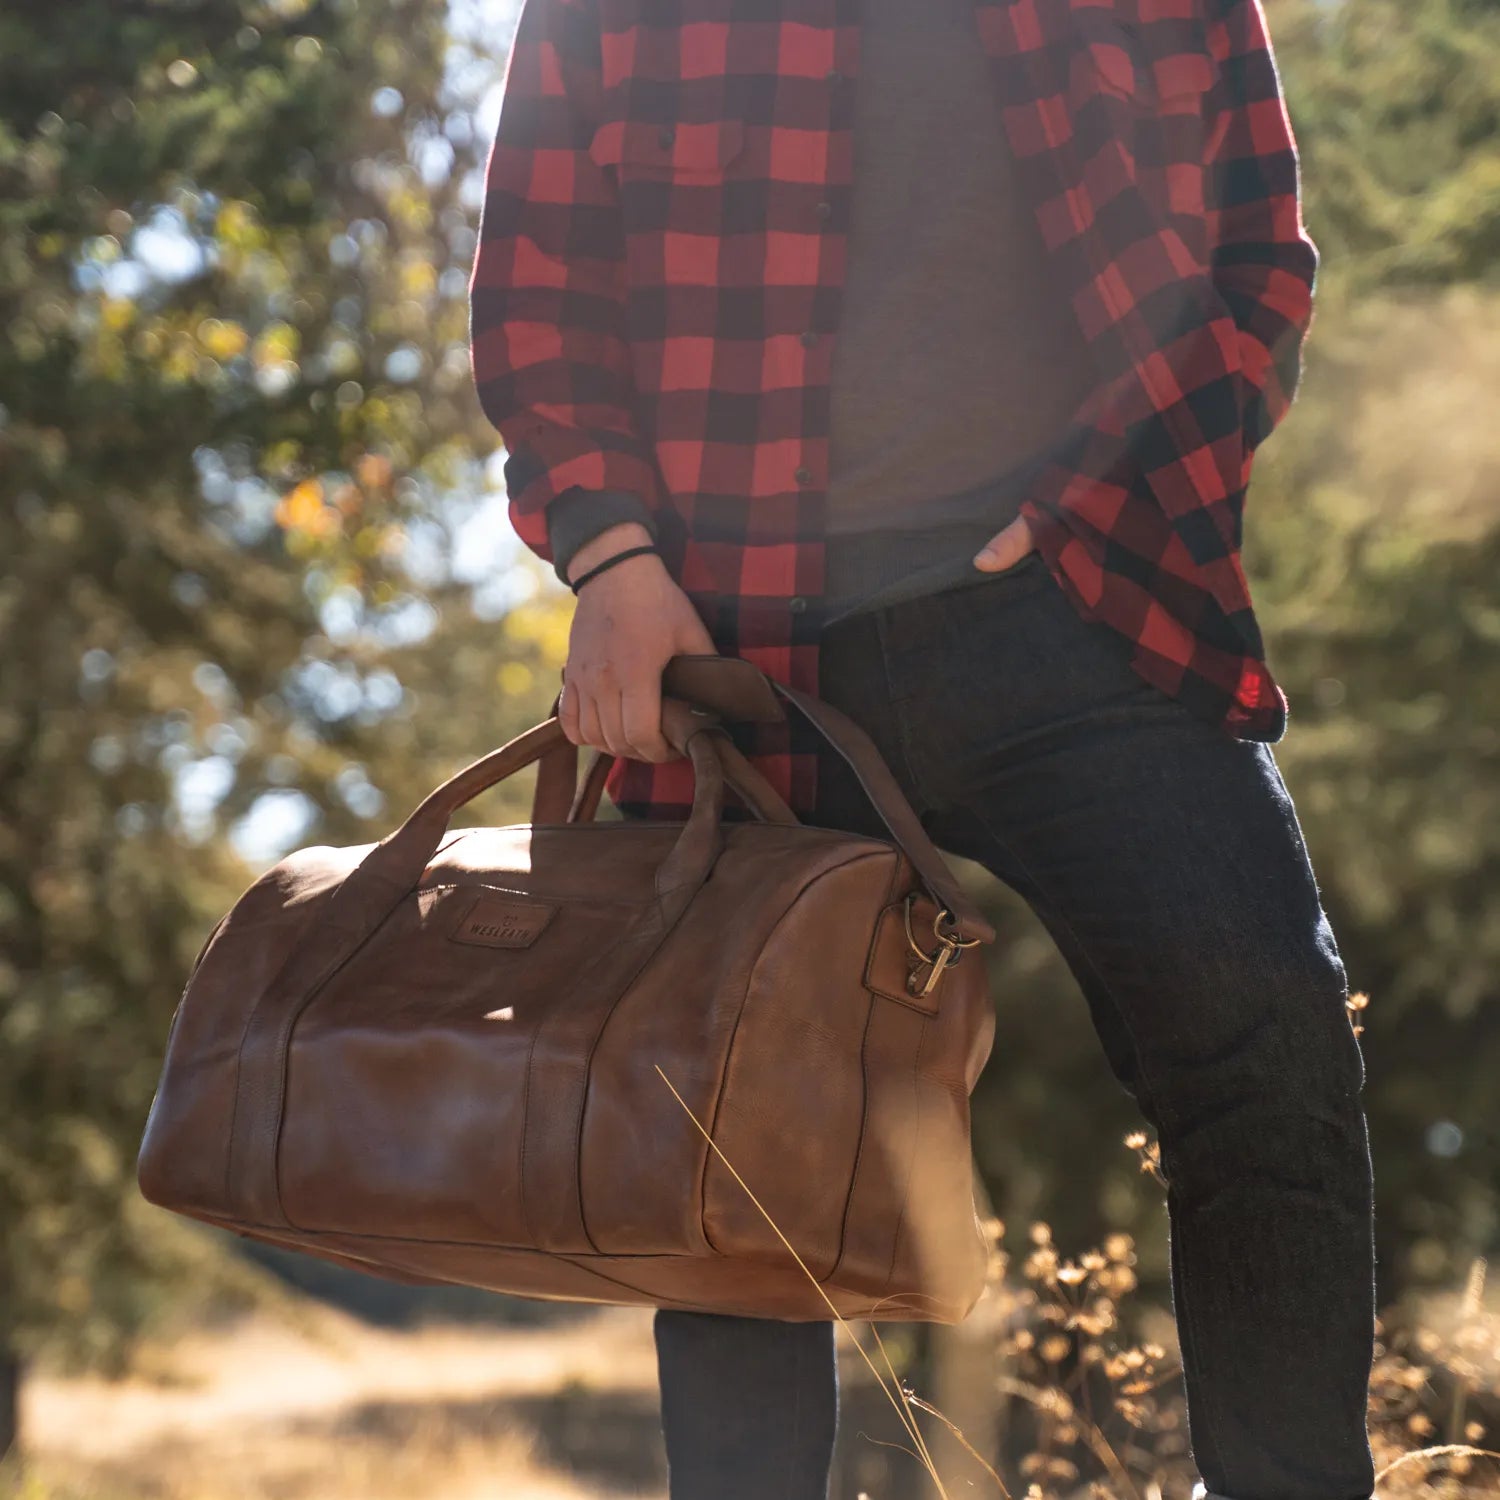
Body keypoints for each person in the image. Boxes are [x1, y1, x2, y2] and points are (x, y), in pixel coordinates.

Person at [468, 0, 1377, 1496]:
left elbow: (1256, 264)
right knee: (728, 1162)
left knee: (1267, 1028)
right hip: (734, 643)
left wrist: (1108, 500)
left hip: (1084, 602)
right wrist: (610, 556)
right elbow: (538, 285)